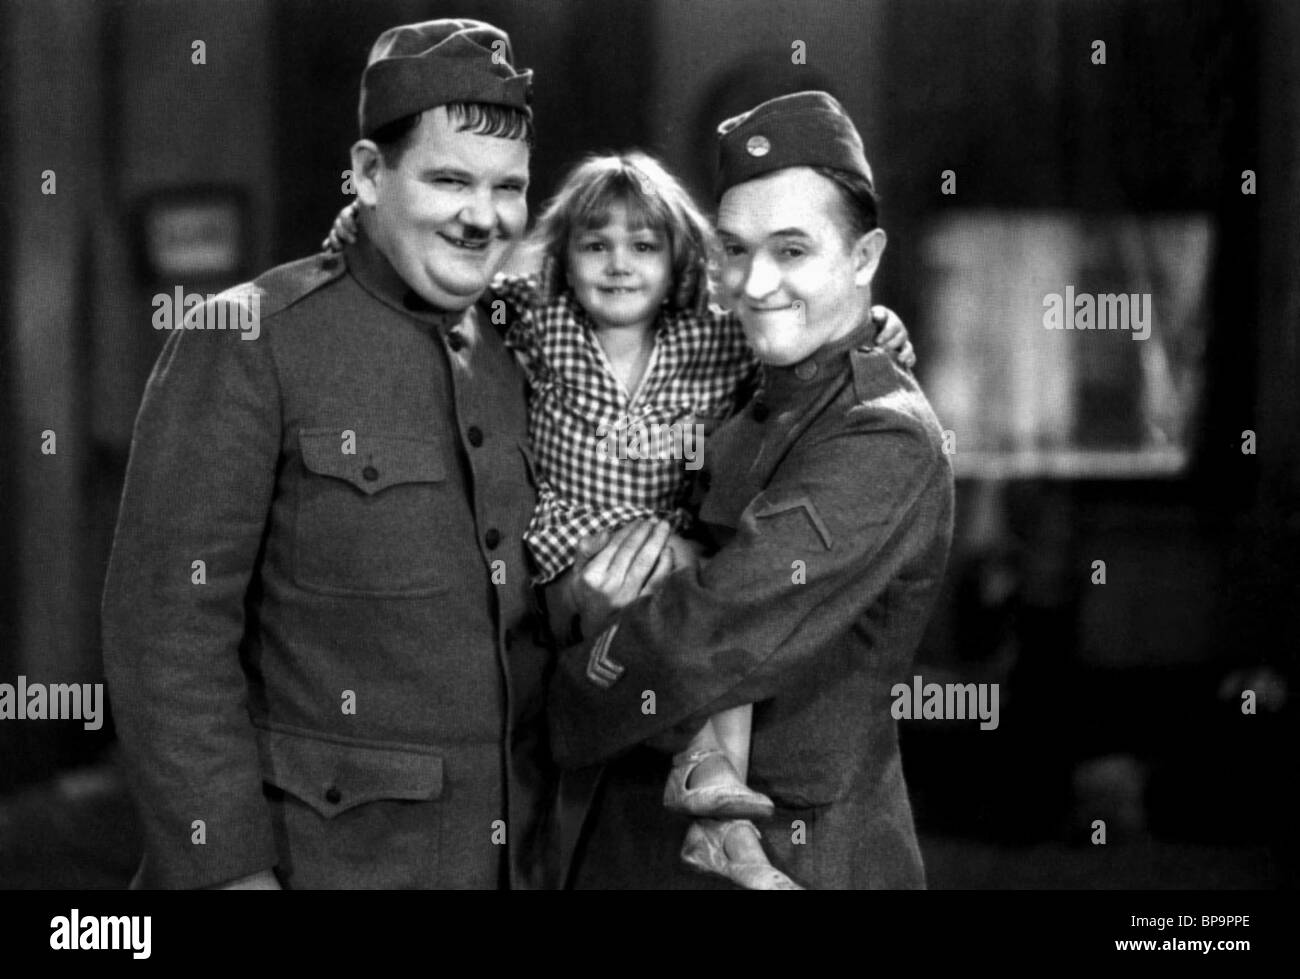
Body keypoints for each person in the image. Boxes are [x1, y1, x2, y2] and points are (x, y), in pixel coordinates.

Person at [325, 150, 915, 888]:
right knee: (636, 633)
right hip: (571, 544)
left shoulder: (711, 338)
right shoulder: (540, 323)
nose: (618, 264)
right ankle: (696, 793)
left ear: (678, 264)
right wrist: (361, 220)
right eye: (594, 244)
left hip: (665, 535)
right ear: (562, 259)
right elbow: (440, 287)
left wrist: (876, 324)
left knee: (709, 620)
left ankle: (720, 818)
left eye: (643, 247)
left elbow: (801, 327)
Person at [100, 18, 559, 889]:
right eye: (450, 180)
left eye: (509, 188)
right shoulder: (249, 340)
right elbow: (166, 637)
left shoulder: (525, 347)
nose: (483, 216)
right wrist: (229, 875)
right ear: (367, 172)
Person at [548, 91, 956, 889]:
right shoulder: (743, 392)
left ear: (866, 256)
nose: (756, 283)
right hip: (650, 851)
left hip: (798, 857)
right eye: (735, 250)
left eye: (794, 250)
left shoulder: (885, 437)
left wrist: (573, 665)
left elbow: (716, 627)